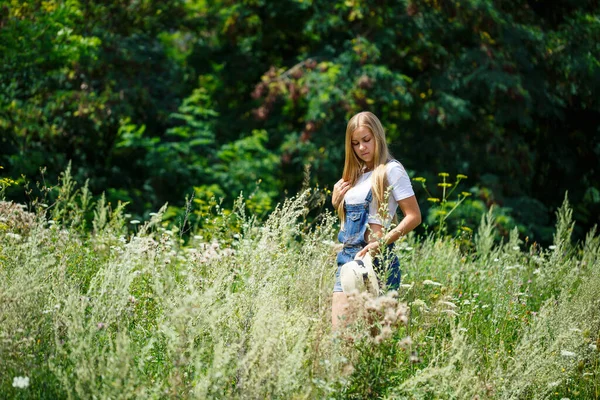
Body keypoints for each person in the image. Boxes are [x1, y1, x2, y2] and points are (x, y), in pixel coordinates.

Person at [331, 111, 421, 329]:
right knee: (339, 338)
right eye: (355, 143)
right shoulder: (355, 176)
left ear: (378, 137)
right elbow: (349, 223)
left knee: (375, 343)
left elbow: (414, 216)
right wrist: (336, 204)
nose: (362, 147)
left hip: (377, 261)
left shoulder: (392, 170)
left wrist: (381, 242)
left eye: (366, 140)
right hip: (348, 260)